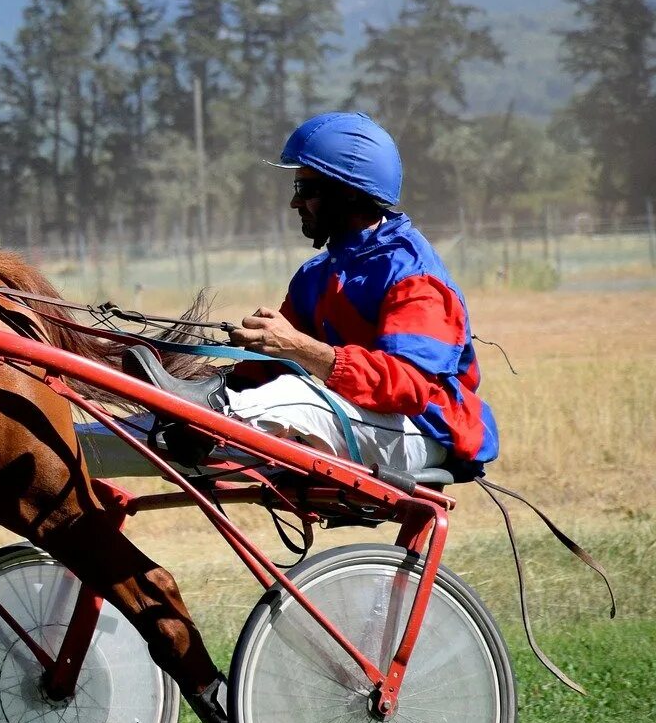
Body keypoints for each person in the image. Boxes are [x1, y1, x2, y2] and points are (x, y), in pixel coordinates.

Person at [127, 112, 498, 476]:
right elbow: (266, 369)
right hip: (356, 419)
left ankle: (203, 417)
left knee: (297, 395)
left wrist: (300, 348)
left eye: (306, 189)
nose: (294, 203)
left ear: (349, 193)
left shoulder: (415, 278)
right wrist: (216, 381)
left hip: (422, 431)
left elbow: (409, 388)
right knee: (126, 433)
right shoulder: (315, 275)